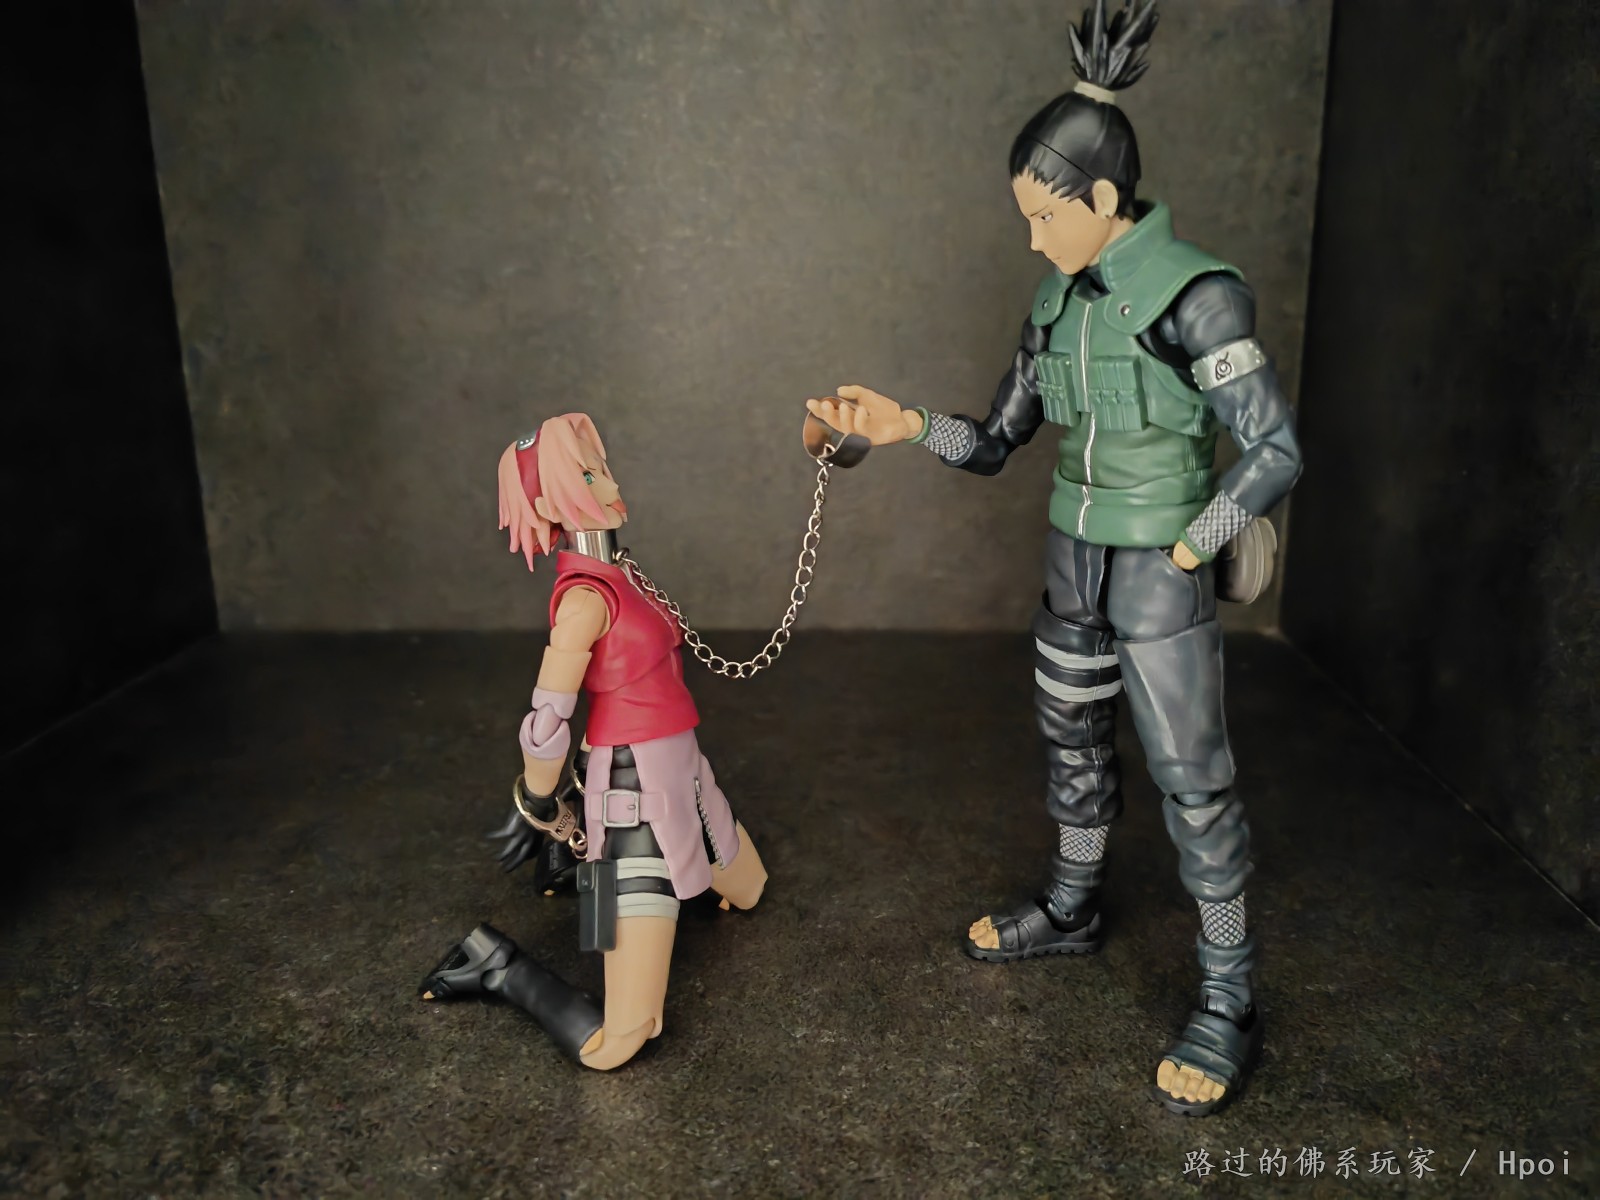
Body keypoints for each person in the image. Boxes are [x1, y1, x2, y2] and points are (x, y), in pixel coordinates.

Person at [805, 0, 1301, 1115]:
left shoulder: (1198, 297)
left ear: (1104, 201)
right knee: (1073, 747)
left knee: (1193, 783)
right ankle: (1074, 908)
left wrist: (1195, 543)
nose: (1032, 238)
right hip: (1074, 565)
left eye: (1044, 215)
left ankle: (1229, 995)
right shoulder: (1053, 305)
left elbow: (1274, 450)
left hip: (1160, 574)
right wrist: (902, 426)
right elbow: (995, 442)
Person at [419, 412, 768, 1070]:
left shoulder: (624, 572)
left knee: (749, 887)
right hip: (629, 796)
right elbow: (548, 715)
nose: (609, 485)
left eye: (600, 468)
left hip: (686, 770)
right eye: (586, 477)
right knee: (620, 1040)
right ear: (547, 506)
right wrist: (538, 799)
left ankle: (587, 889)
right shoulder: (583, 600)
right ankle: (496, 964)